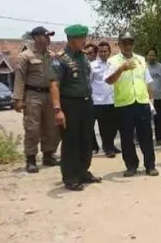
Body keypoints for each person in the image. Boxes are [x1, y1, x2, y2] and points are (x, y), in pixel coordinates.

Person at [50, 25, 102, 191]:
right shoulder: (61, 59)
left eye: (85, 38)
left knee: (86, 139)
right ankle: (70, 177)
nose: (84, 41)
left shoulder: (84, 57)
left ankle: (82, 171)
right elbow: (54, 85)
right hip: (70, 103)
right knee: (71, 141)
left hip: (86, 103)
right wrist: (58, 110)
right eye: (81, 39)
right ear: (72, 40)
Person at [105, 31, 159, 177]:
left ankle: (150, 166)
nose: (128, 46)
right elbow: (109, 80)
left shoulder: (141, 59)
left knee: (146, 136)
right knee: (127, 137)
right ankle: (131, 166)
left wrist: (151, 101)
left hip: (141, 102)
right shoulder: (113, 61)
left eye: (130, 42)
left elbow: (148, 82)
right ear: (119, 44)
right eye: (124, 43)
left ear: (133, 44)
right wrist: (121, 68)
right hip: (124, 104)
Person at [13, 26, 60, 173]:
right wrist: (18, 99)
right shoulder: (25, 56)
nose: (48, 38)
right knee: (32, 128)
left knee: (51, 127)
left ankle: (48, 155)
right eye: (46, 36)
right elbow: (19, 78)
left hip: (49, 95)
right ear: (36, 37)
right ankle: (31, 159)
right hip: (33, 95)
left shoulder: (51, 56)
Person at [90, 41, 121, 158]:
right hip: (97, 101)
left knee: (113, 126)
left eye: (105, 51)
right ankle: (107, 148)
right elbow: (89, 82)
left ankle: (110, 145)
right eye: (101, 51)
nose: (103, 53)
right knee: (102, 127)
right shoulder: (92, 66)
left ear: (109, 52)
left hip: (112, 100)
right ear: (98, 53)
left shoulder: (113, 65)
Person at [146, 48, 161, 145]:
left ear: (156, 56)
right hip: (146, 98)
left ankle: (160, 138)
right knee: (146, 120)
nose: (151, 57)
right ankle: (146, 139)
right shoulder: (143, 67)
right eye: (150, 55)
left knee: (159, 118)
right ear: (146, 56)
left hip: (158, 96)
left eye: (153, 55)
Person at [85, 43, 101, 154]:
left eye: (90, 53)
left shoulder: (100, 66)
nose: (87, 55)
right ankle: (92, 146)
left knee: (106, 125)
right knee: (88, 124)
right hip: (86, 99)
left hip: (100, 99)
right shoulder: (82, 65)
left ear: (95, 54)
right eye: (86, 53)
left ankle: (108, 146)